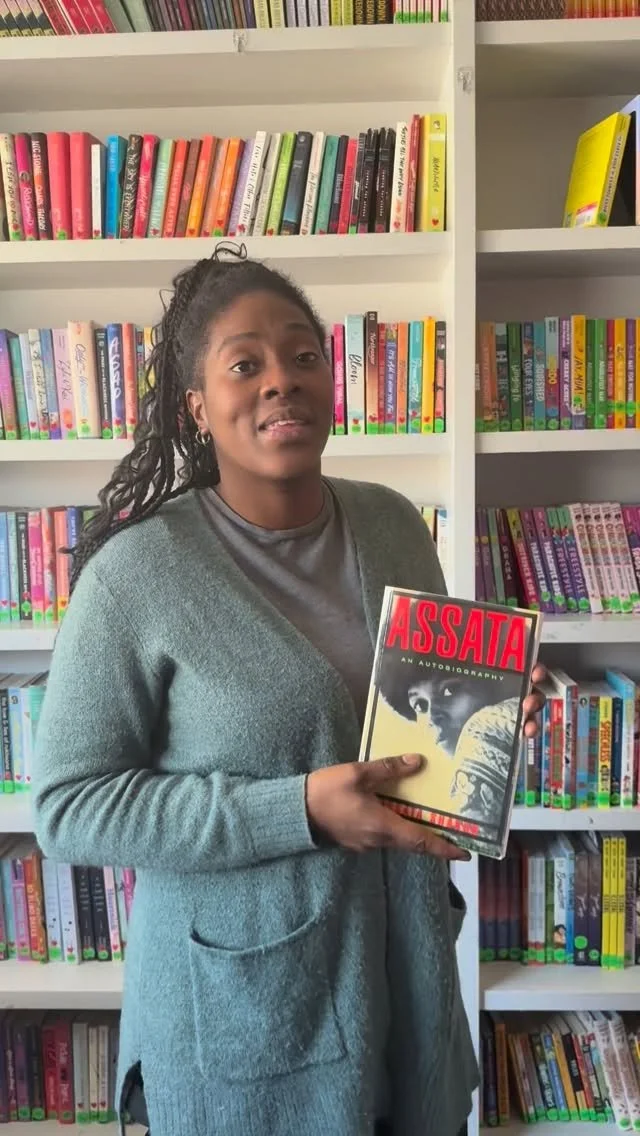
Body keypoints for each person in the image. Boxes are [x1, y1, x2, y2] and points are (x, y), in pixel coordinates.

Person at [33, 244, 544, 1136]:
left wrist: (486, 720)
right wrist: (299, 810)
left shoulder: (391, 523)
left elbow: (416, 732)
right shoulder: (137, 574)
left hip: (409, 990)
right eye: (245, 364)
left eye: (304, 355)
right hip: (245, 1032)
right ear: (198, 406)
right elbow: (69, 807)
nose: (282, 380)